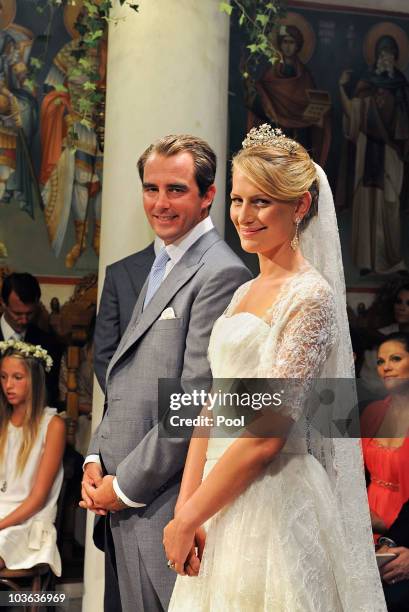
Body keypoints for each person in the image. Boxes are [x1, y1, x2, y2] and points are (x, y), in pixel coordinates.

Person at [164, 125, 386, 611]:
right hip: (216, 503)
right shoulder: (244, 290)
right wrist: (189, 510)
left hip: (272, 502)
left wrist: (188, 516)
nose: (244, 216)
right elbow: (214, 406)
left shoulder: (310, 297)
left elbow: (266, 435)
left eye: (261, 202)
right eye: (238, 200)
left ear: (300, 207)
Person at [80, 134, 252, 611]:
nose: (160, 203)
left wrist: (124, 485)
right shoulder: (159, 262)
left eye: (175, 189)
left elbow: (196, 400)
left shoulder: (220, 271)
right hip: (122, 499)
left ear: (208, 195)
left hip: (164, 503)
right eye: (150, 188)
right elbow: (124, 377)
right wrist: (96, 458)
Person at [339, 31, 409, 275]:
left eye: (390, 52)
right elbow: (354, 113)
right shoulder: (365, 84)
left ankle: (391, 260)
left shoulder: (401, 86)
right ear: (376, 56)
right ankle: (367, 262)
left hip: (392, 154)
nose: (385, 56)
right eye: (382, 52)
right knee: (366, 202)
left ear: (397, 56)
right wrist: (342, 89)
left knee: (390, 203)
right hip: (368, 150)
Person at [0, 339, 65, 574]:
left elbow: (37, 499)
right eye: (3, 377)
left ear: (35, 380)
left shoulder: (52, 425)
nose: (8, 385)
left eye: (17, 378)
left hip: (26, 521)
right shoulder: (3, 422)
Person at [361, 332, 409, 611]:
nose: (385, 367)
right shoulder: (372, 412)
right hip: (366, 518)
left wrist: (390, 528)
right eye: (380, 361)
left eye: (395, 358)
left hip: (401, 522)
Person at [94, 238, 160, 391]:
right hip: (128, 406)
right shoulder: (120, 273)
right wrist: (126, 404)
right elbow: (104, 354)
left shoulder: (217, 266)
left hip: (193, 407)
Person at [0, 273, 62, 405]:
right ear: (3, 303)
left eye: (29, 313)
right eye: (17, 313)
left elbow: (50, 393)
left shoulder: (48, 343)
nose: (24, 320)